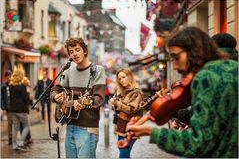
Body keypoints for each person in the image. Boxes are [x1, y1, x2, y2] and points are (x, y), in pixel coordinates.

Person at [127, 27, 238, 158]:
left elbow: (199, 143)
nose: (174, 65)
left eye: (176, 57)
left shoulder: (206, 76)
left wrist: (152, 132)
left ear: (193, 51)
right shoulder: (233, 68)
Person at [50, 37, 106, 158]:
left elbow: (99, 99)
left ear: (84, 51)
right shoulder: (68, 71)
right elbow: (55, 89)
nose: (74, 53)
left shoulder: (98, 71)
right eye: (71, 51)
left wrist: (84, 103)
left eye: (77, 50)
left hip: (88, 128)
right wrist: (56, 97)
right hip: (70, 125)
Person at [110, 68, 144, 158]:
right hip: (121, 126)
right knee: (124, 152)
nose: (121, 80)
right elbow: (118, 110)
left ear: (129, 77)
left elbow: (131, 110)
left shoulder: (136, 92)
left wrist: (117, 103)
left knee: (123, 154)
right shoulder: (122, 92)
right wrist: (114, 102)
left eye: (123, 77)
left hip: (131, 127)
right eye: (119, 79)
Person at [8, 65, 31, 151]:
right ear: (21, 75)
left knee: (15, 127)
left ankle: (14, 145)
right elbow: (26, 99)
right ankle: (21, 143)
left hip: (13, 110)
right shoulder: (22, 86)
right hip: (22, 110)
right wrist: (28, 92)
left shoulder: (11, 86)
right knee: (27, 126)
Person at [1, 70, 13, 145]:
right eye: (7, 76)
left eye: (10, 76)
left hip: (15, 107)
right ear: (5, 77)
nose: (9, 78)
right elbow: (2, 98)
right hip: (8, 108)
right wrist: (3, 107)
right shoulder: (3, 86)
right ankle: (10, 138)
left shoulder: (13, 85)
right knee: (9, 123)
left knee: (15, 123)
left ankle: (14, 138)